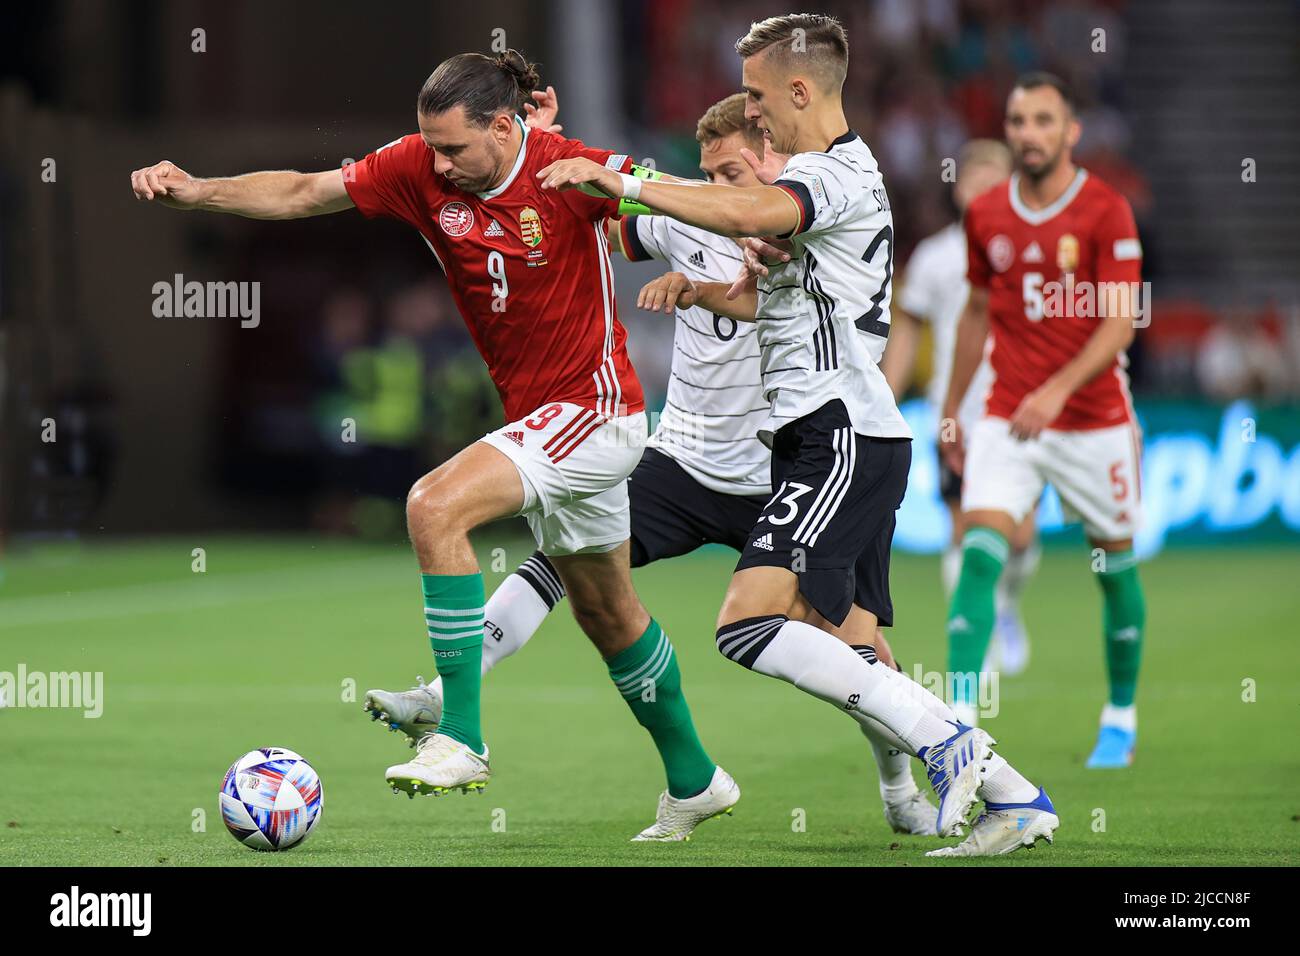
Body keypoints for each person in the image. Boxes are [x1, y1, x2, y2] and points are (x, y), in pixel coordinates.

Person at [129, 51, 739, 841]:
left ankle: (460, 735)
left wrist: (741, 242)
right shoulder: (420, 167)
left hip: (596, 408)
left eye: (453, 147)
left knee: (433, 504)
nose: (438, 162)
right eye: (430, 145)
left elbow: (686, 206)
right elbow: (305, 191)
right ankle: (696, 779)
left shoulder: (571, 170)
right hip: (541, 417)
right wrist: (198, 189)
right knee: (607, 611)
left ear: (503, 125)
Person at [536, 13, 1057, 855]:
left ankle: (949, 747)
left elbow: (754, 205)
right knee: (845, 637)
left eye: (755, 94)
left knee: (748, 625)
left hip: (841, 436)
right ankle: (1010, 792)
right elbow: (771, 245)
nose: (752, 110)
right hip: (827, 440)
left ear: (800, 90)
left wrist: (624, 182)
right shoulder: (824, 183)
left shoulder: (834, 176)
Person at [368, 90, 939, 836]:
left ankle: (901, 790)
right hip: (685, 455)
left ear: (773, 158)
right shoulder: (681, 212)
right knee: (566, 563)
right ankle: (454, 692)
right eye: (707, 172)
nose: (715, 185)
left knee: (856, 646)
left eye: (731, 170)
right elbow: (569, 231)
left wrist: (702, 290)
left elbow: (775, 301)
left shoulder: (812, 219)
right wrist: (535, 155)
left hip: (796, 469)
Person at [940, 72, 1147, 769]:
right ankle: (961, 728)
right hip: (1008, 417)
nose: (1028, 133)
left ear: (1070, 131)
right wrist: (951, 407)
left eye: (1042, 121)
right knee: (977, 550)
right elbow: (975, 314)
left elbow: (1121, 324)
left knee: (1114, 569)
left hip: (1092, 419)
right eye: (1018, 120)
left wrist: (1058, 391)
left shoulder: (1106, 211)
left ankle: (1119, 715)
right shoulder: (987, 214)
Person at [881, 139, 1040, 679]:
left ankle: (1007, 606)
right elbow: (907, 333)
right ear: (959, 187)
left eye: (996, 178)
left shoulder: (1035, 251)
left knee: (1019, 536)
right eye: (975, 179)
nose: (984, 188)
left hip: (1024, 410)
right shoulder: (934, 258)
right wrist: (884, 398)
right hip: (955, 413)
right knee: (964, 528)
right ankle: (980, 635)